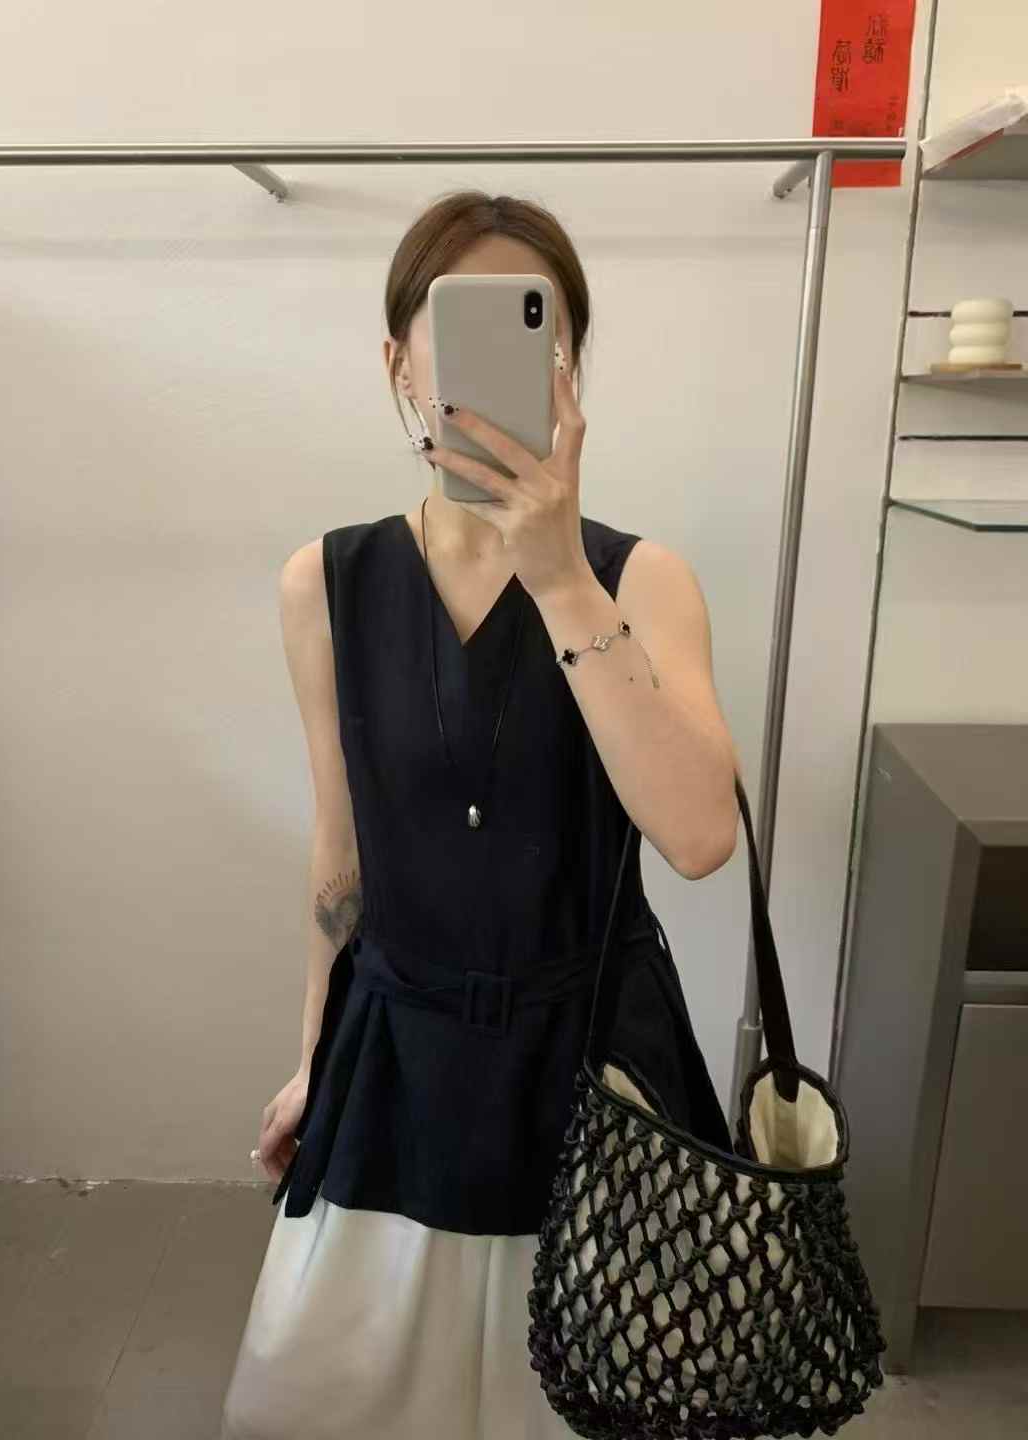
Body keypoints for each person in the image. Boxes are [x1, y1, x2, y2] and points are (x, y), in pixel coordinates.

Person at [220, 190, 742, 1439]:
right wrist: (313, 1059)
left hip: (593, 1070)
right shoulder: (327, 582)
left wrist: (557, 576)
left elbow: (699, 836)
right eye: (455, 330)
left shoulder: (641, 579)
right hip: (396, 1058)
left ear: (569, 369)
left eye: (535, 325)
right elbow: (340, 856)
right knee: (334, 1396)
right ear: (399, 365)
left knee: (581, 1393)